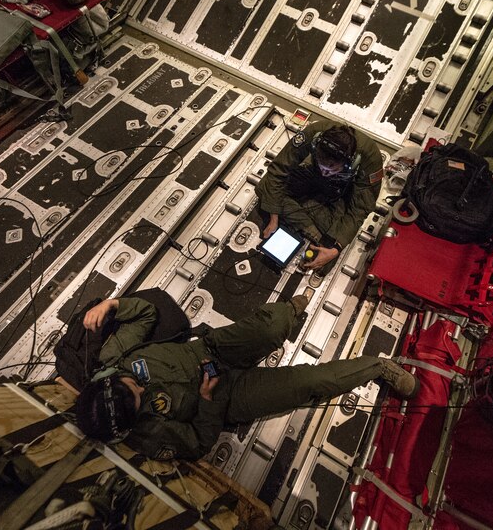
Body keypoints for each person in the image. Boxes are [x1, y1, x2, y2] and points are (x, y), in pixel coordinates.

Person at [75, 294, 419, 461]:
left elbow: (147, 314)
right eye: (138, 397)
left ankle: (290, 313)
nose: (139, 385)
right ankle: (378, 367)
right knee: (307, 384)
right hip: (229, 398)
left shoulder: (113, 358)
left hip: (212, 351)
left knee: (275, 326)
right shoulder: (147, 435)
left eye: (129, 383)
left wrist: (113, 305)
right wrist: (208, 401)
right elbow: (199, 443)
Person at [256, 119, 384, 272]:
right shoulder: (312, 133)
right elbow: (278, 171)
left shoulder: (370, 158)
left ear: (350, 163)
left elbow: (360, 209)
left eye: (331, 169)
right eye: (322, 163)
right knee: (264, 187)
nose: (325, 172)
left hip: (341, 193)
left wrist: (335, 248)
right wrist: (274, 217)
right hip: (310, 175)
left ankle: (306, 215)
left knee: (326, 258)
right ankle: (312, 230)